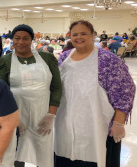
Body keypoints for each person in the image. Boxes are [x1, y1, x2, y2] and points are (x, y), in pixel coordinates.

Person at [55, 20, 135, 167]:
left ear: (93, 35)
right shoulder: (64, 58)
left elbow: (126, 90)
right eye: (75, 34)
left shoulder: (108, 60)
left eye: (84, 33)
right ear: (70, 36)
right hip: (64, 125)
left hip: (98, 127)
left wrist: (118, 122)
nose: (79, 37)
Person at [0, 24, 62, 167]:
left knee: (43, 153)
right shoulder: (5, 61)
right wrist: (11, 119)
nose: (21, 42)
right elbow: (1, 92)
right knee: (15, 153)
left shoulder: (47, 58)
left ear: (32, 40)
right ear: (12, 39)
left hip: (43, 115)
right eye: (17, 38)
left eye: (25, 38)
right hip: (16, 115)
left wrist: (51, 115)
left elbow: (56, 87)